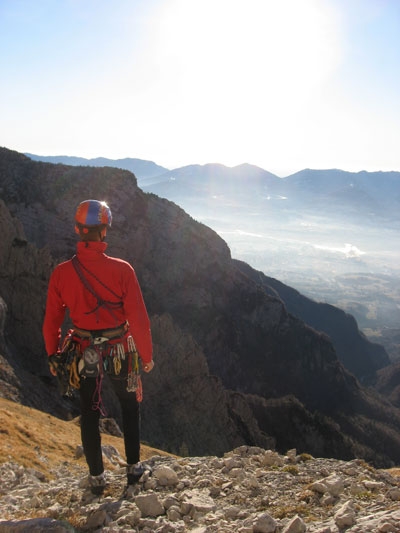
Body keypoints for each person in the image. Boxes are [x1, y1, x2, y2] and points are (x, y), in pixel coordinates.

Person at [43, 199, 154, 495]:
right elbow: (139, 320)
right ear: (104, 231)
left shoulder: (62, 273)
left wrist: (53, 354)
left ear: (79, 230)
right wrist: (146, 356)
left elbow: (52, 319)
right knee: (130, 406)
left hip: (84, 351)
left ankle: (97, 479)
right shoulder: (122, 270)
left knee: (89, 412)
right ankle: (133, 470)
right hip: (119, 349)